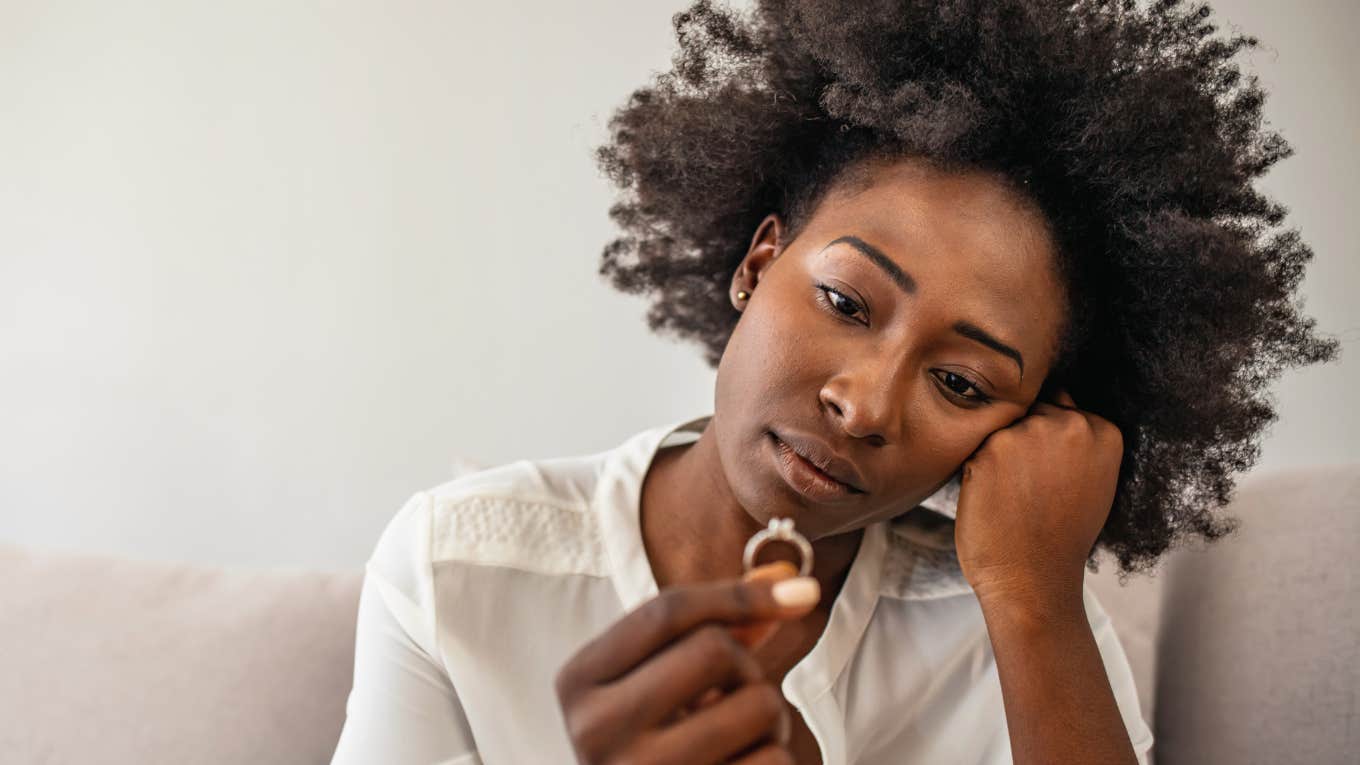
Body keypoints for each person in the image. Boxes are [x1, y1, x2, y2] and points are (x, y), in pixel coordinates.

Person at [330, 1, 1339, 763]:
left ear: (1025, 428)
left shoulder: (1008, 621)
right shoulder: (463, 571)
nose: (862, 406)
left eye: (958, 381)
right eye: (846, 304)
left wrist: (1032, 606)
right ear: (759, 261)